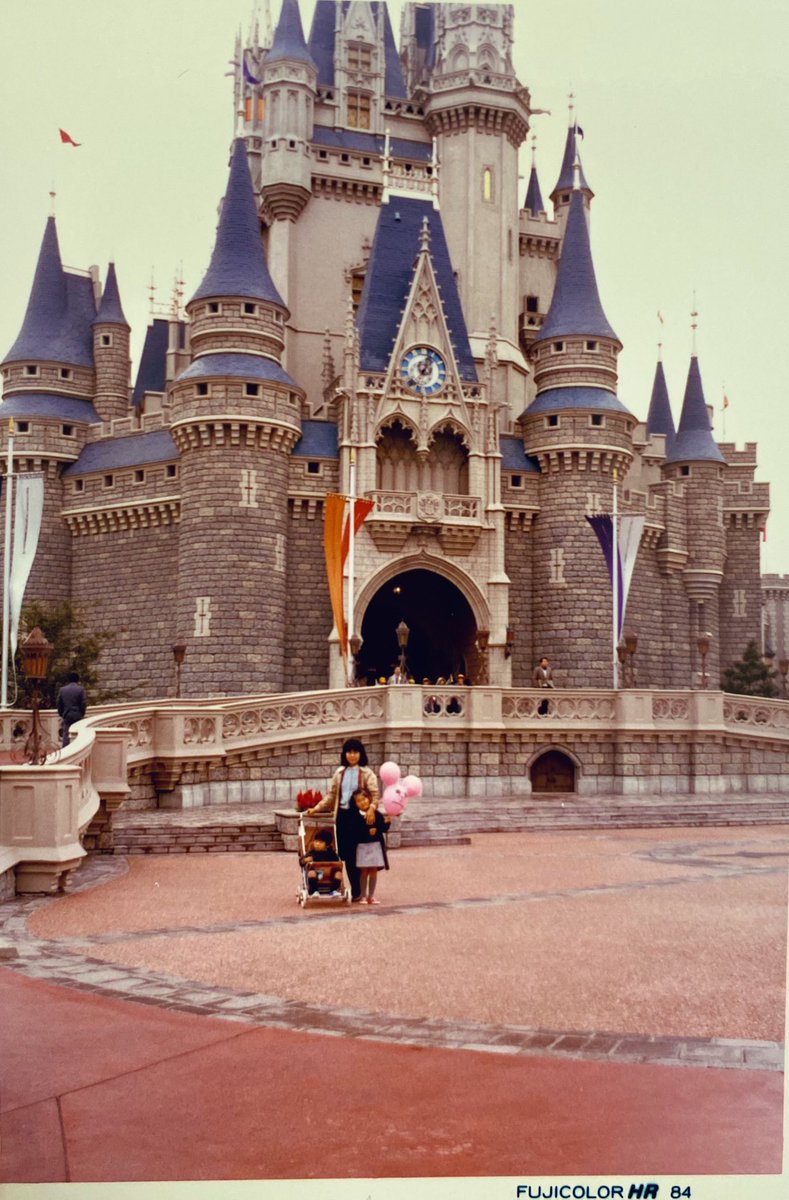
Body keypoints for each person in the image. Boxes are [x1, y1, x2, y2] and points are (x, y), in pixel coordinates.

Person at [308, 738, 380, 902]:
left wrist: (371, 808)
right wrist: (316, 808)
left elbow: (375, 796)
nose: (352, 755)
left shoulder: (367, 773)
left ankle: (358, 891)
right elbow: (332, 796)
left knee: (357, 854)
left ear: (360, 754)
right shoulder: (340, 773)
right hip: (342, 816)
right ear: (344, 754)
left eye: (355, 752)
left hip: (358, 818)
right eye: (349, 752)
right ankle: (347, 888)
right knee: (344, 854)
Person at [353, 787, 390, 905]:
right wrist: (367, 832)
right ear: (355, 803)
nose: (363, 802)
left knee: (373, 870)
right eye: (359, 801)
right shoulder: (355, 816)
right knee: (364, 871)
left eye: (364, 799)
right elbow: (354, 832)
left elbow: (383, 828)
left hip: (375, 846)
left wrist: (387, 822)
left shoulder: (377, 814)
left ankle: (371, 896)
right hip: (362, 847)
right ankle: (363, 896)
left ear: (369, 799)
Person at [303, 827, 343, 895]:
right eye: (316, 841)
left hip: (330, 875)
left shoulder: (331, 853)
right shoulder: (312, 853)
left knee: (338, 873)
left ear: (327, 845)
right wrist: (305, 860)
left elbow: (337, 863)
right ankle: (314, 891)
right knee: (311, 873)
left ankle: (334, 890)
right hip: (317, 875)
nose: (317, 844)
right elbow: (301, 862)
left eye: (320, 842)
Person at [57, 671, 87, 747]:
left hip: (67, 715)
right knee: (78, 733)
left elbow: (59, 704)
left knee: (66, 734)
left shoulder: (62, 690)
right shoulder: (80, 690)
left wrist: (62, 714)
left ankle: (66, 750)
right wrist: (82, 713)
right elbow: (83, 703)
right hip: (78, 715)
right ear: (77, 679)